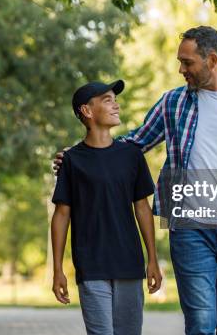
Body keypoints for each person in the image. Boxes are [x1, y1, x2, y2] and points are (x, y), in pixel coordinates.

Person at [54, 26, 217, 334]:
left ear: (211, 60)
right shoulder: (174, 103)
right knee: (201, 323)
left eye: (187, 62)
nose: (181, 69)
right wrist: (77, 157)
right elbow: (133, 143)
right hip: (189, 229)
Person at [50, 80, 162, 335]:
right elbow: (61, 215)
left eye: (115, 99)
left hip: (129, 263)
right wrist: (57, 270)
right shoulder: (72, 160)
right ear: (87, 112)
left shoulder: (132, 156)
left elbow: (142, 208)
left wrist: (152, 259)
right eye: (107, 100)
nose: (116, 105)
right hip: (91, 265)